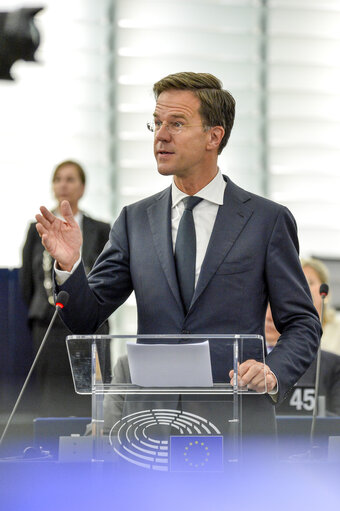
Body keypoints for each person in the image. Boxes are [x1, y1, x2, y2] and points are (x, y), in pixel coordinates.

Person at [35, 72, 321, 436]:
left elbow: (303, 323)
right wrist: (70, 264)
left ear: (213, 137)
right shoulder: (134, 220)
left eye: (176, 123)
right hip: (149, 428)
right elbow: (86, 317)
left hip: (237, 429)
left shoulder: (267, 221)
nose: (160, 135)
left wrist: (273, 371)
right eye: (156, 123)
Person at [20, 160, 111, 416]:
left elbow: (109, 278)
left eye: (70, 179)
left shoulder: (101, 229)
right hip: (48, 325)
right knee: (51, 398)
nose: (63, 185)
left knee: (89, 398)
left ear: (82, 187)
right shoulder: (36, 229)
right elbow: (27, 283)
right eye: (58, 179)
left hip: (90, 324)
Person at [265, 304, 340, 415]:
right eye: (264, 307)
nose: (269, 317)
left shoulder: (332, 365)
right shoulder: (239, 361)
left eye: (276, 309)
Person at [301, 258, 340, 356]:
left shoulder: (337, 328)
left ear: (326, 291)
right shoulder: (283, 328)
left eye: (311, 282)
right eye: (301, 282)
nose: (305, 287)